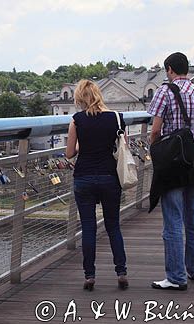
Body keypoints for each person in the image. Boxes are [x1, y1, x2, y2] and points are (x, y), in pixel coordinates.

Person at [148, 52, 194, 290]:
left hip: (172, 166)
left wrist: (154, 152)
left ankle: (176, 277)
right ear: (186, 69)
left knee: (173, 221)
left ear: (169, 69)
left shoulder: (164, 92)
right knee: (193, 221)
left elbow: (156, 131)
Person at [66, 79, 128, 291]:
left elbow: (69, 153)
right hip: (110, 177)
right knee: (113, 226)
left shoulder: (77, 120)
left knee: (89, 228)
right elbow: (121, 147)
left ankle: (90, 276)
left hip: (84, 177)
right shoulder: (117, 118)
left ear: (80, 98)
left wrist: (85, 142)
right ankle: (121, 271)